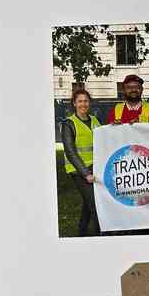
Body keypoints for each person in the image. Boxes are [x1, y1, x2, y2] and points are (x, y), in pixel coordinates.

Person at [61, 89, 101, 236]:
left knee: (87, 203)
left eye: (85, 101)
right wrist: (85, 174)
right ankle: (99, 237)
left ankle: (82, 233)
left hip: (95, 168)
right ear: (74, 103)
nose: (83, 104)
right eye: (80, 101)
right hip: (78, 171)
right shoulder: (68, 123)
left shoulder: (95, 120)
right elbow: (70, 152)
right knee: (95, 206)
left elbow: (104, 140)